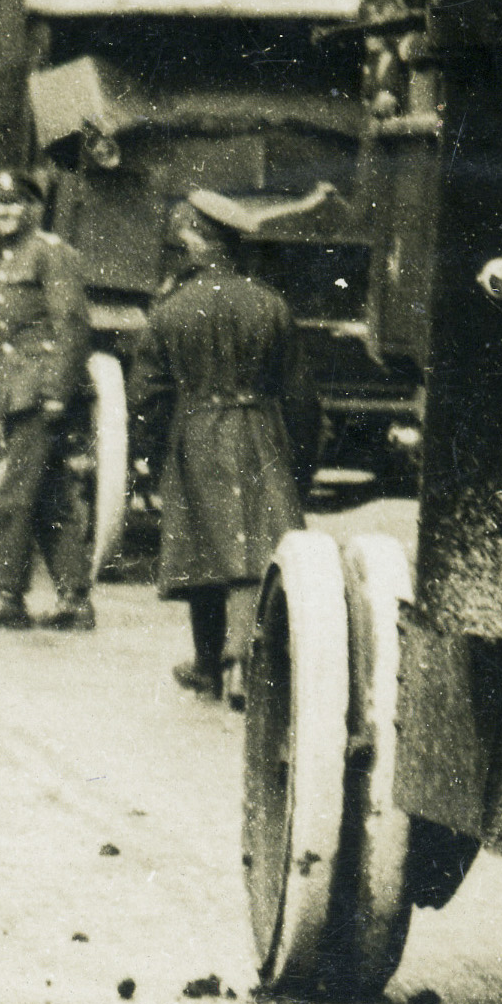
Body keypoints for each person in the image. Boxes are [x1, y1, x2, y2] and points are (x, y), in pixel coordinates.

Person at [137, 195, 310, 704]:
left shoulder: (171, 310)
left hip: (197, 434)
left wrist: (147, 450)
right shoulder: (271, 305)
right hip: (261, 431)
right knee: (258, 546)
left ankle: (212, 664)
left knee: (203, 551)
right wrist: (299, 460)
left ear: (194, 239)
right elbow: (298, 394)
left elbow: (149, 394)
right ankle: (251, 662)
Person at [0, 167, 99, 633]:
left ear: (34, 208)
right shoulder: (8, 257)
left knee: (16, 496)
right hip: (17, 389)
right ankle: (73, 598)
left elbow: (71, 325)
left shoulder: (51, 254)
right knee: (49, 497)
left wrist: (55, 394)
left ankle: (9, 597)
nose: (3, 211)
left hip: (39, 392)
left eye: (14, 204)